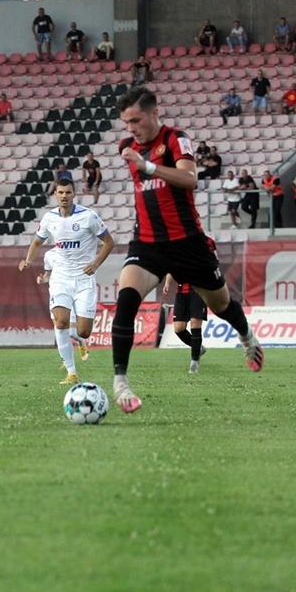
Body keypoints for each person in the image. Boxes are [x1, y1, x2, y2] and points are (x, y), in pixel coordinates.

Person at [111, 86, 263, 413]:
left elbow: (190, 178)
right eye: (126, 123)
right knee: (126, 298)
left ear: (154, 113)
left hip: (188, 243)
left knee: (221, 305)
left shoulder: (175, 139)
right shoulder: (127, 146)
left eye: (136, 120)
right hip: (148, 243)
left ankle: (248, 337)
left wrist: (148, 166)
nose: (131, 129)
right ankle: (120, 382)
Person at [19, 178, 115, 385]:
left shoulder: (88, 216)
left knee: (84, 331)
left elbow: (109, 242)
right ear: (56, 194)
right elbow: (37, 242)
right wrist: (28, 261)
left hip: (84, 279)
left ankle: (79, 339)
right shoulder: (49, 218)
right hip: (61, 278)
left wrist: (96, 263)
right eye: (60, 192)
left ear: (74, 194)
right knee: (60, 322)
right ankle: (72, 373)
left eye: (68, 193)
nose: (64, 196)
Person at [163, 276, 208, 374]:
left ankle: (194, 363)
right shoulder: (177, 260)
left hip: (198, 292)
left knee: (195, 325)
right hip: (181, 294)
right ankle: (198, 348)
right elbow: (171, 269)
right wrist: (167, 283)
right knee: (179, 329)